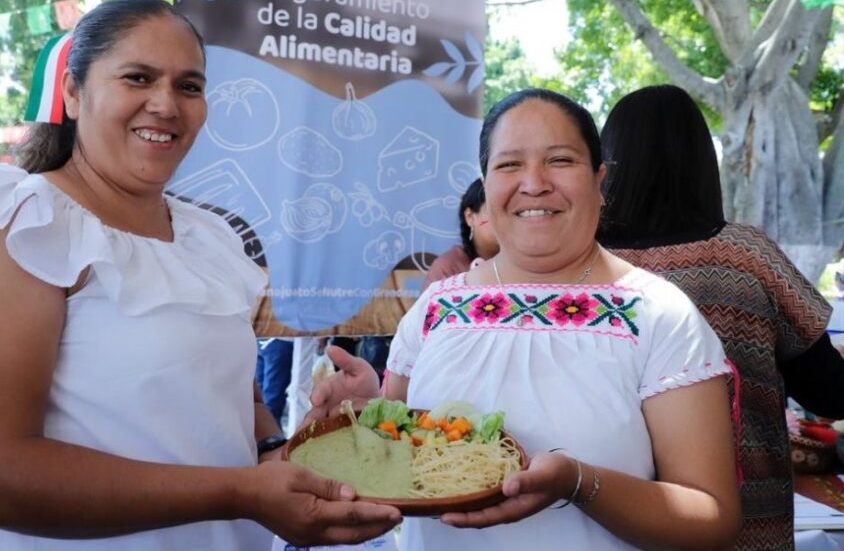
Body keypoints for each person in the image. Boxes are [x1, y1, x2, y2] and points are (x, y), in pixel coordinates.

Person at [0, 0, 400, 550]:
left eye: (189, 86)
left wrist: (299, 446)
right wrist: (239, 492)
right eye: (137, 78)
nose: (165, 104)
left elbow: (234, 403)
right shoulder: (18, 228)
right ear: (73, 92)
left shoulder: (209, 237)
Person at [309, 88, 742, 550]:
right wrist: (362, 419)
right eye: (509, 164)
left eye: (560, 160)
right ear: (485, 184)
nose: (533, 183)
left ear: (600, 181)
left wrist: (578, 483)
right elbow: (399, 451)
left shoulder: (658, 313)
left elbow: (710, 517)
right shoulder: (436, 306)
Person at [598, 84, 844, 550]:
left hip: (608, 523)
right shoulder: (747, 257)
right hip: (747, 526)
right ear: (700, 163)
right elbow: (829, 390)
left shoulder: (583, 267)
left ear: (608, 164)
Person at [423, 178, 499, 286]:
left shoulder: (525, 263)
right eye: (494, 210)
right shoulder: (448, 269)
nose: (504, 220)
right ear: (470, 216)